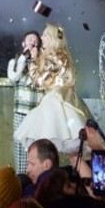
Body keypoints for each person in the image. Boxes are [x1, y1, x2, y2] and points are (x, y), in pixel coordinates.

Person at [14, 25, 89, 155]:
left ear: (52, 38)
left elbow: (39, 82)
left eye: (44, 35)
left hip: (53, 103)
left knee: (47, 148)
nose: (41, 37)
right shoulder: (60, 55)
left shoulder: (56, 56)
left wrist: (33, 60)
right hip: (55, 100)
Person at [7, 31, 43, 171]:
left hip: (36, 114)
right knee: (20, 151)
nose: (32, 42)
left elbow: (42, 82)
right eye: (29, 39)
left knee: (36, 150)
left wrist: (35, 60)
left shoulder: (42, 64)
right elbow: (14, 77)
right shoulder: (14, 62)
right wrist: (24, 58)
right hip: (20, 113)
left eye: (35, 40)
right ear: (23, 43)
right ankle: (22, 182)